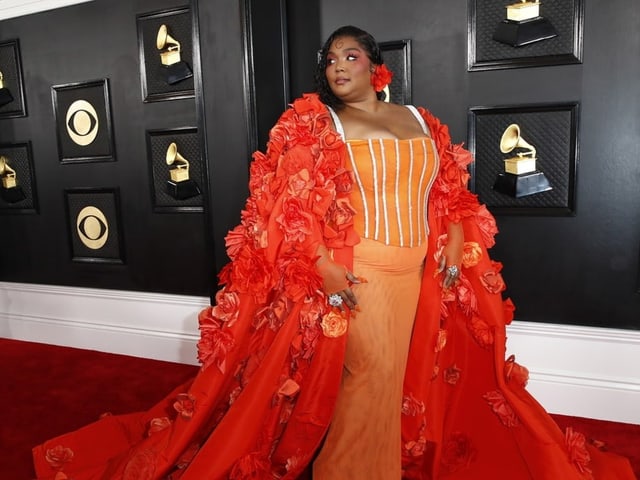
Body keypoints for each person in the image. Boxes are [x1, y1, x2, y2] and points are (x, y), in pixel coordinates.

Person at [32, 25, 636, 480]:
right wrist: (323, 268)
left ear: (377, 68)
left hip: (420, 275)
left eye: (351, 56)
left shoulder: (422, 122)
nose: (338, 66)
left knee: (400, 379)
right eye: (330, 59)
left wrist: (454, 241)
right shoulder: (315, 125)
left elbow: (451, 193)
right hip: (360, 273)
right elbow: (289, 209)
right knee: (367, 375)